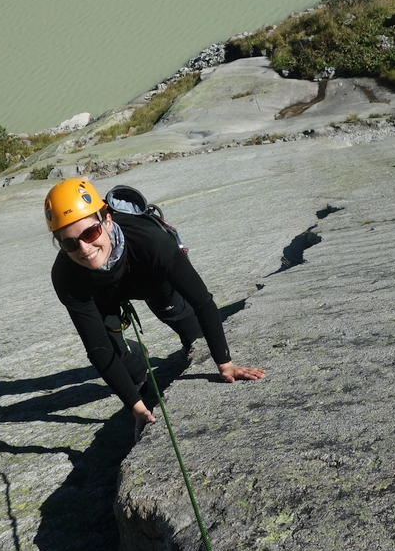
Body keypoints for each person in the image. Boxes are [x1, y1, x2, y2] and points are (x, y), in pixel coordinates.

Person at [46, 178, 264, 437]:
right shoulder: (65, 276)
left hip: (149, 279)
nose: (84, 248)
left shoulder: (151, 242)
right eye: (69, 243)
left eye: (90, 233)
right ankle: (140, 369)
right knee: (119, 354)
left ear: (107, 219)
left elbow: (202, 301)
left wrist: (225, 364)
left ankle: (185, 346)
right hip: (100, 294)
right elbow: (98, 349)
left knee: (184, 324)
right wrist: (136, 407)